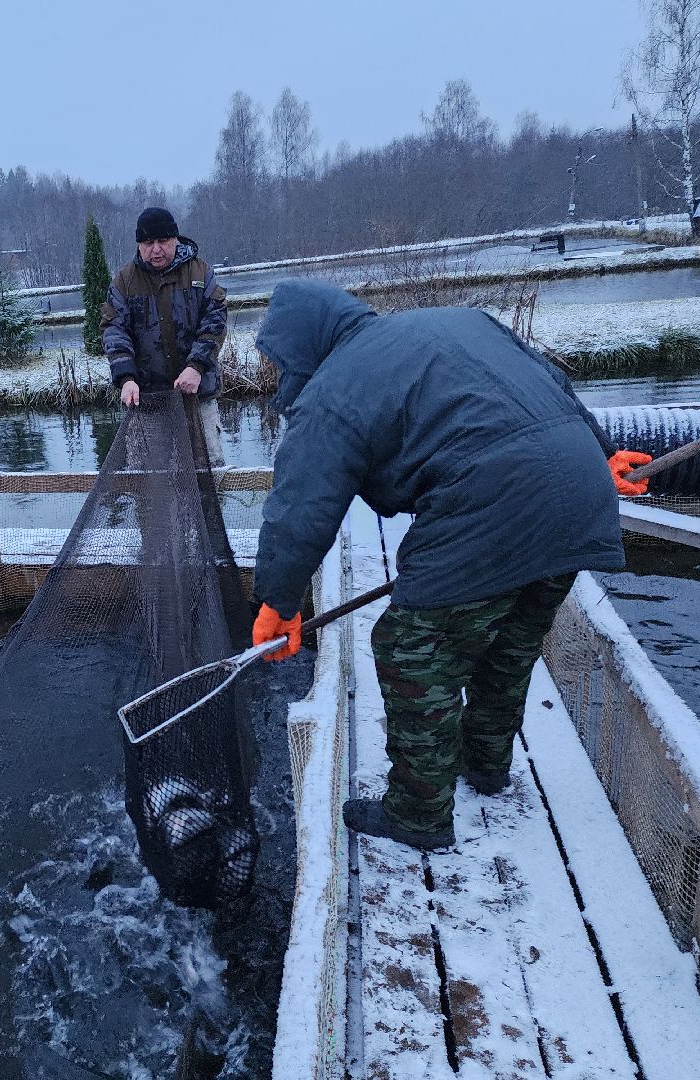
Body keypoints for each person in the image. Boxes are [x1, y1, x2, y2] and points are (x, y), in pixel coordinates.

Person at [249, 280, 651, 851]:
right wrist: (603, 452)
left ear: (302, 344)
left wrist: (278, 601)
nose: (281, 373)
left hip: (492, 500)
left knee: (411, 647)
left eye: (281, 361)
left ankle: (418, 813)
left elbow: (300, 508)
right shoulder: (461, 321)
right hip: (580, 491)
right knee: (511, 639)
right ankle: (486, 764)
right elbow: (552, 383)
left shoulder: (332, 389)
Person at [101, 207, 229, 465]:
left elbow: (214, 322)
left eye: (163, 241)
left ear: (175, 240)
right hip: (147, 401)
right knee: (148, 480)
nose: (156, 249)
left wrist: (196, 367)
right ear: (139, 245)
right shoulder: (124, 282)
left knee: (209, 471)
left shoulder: (200, 272)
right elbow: (115, 331)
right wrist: (126, 378)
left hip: (198, 395)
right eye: (148, 243)